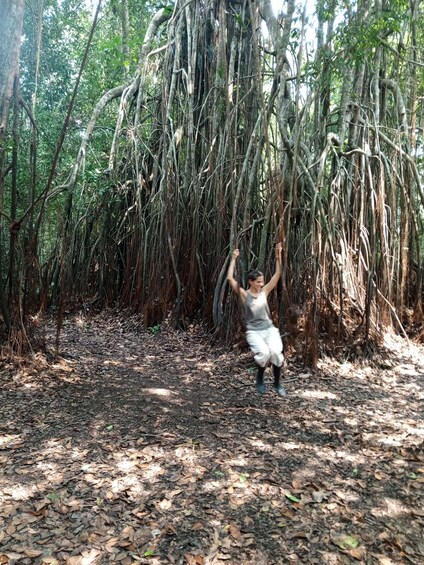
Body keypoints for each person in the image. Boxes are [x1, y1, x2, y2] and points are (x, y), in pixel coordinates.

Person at [227, 243, 286, 396]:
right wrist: (233, 259)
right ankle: (259, 379)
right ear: (251, 282)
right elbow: (230, 278)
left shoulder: (264, 291)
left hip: (269, 329)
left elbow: (277, 274)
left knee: (276, 354)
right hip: (254, 331)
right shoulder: (244, 294)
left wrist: (277, 256)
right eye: (258, 281)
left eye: (262, 281)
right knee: (264, 354)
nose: (261, 284)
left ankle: (277, 383)